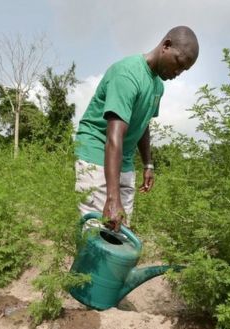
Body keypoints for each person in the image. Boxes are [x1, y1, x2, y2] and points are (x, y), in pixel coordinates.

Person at [74, 26, 199, 231]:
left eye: (184, 70)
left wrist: (148, 164)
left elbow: (143, 123)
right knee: (97, 237)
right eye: (179, 63)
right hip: (97, 155)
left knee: (120, 233)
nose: (178, 72)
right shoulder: (128, 74)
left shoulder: (158, 86)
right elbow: (114, 136)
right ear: (166, 45)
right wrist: (112, 199)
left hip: (123, 161)